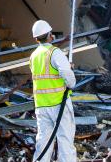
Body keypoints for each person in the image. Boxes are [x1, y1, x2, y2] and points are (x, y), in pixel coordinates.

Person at [30, 20, 76, 161]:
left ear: (36, 38)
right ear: (50, 35)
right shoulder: (54, 52)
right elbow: (68, 77)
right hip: (58, 103)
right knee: (65, 141)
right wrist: (70, 78)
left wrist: (65, 67)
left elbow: (46, 74)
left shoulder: (34, 56)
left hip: (42, 106)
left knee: (43, 142)